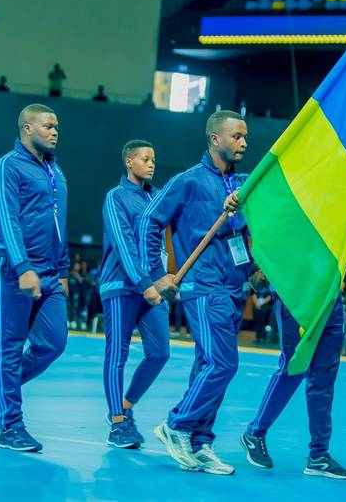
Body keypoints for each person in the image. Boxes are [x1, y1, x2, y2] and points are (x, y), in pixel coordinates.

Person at [138, 110, 256, 475]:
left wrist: (254, 269)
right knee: (223, 363)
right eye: (237, 136)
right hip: (203, 286)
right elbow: (149, 221)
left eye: (245, 136)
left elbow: (249, 232)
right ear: (215, 139)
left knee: (208, 365)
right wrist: (157, 275)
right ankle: (176, 424)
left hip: (234, 286)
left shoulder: (244, 184)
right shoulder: (187, 181)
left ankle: (200, 442)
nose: (244, 143)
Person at [0, 104, 70, 452]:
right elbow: (7, 218)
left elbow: (60, 224)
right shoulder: (7, 167)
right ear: (27, 128)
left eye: (56, 126)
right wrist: (22, 265)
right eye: (48, 126)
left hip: (49, 272)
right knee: (10, 345)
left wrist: (63, 269)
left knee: (54, 342)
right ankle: (10, 425)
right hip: (11, 266)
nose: (55, 131)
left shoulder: (56, 171)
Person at [240, 284, 346, 480]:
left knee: (324, 378)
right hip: (293, 291)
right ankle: (255, 432)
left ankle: (319, 455)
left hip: (329, 293)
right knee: (293, 368)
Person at [99, 139, 170, 449]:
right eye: (144, 159)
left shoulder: (158, 198)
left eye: (153, 159)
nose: (151, 164)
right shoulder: (115, 197)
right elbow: (123, 244)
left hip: (152, 287)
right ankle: (117, 423)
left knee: (160, 353)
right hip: (121, 286)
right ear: (129, 161)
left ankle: (125, 407)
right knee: (118, 354)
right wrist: (145, 284)